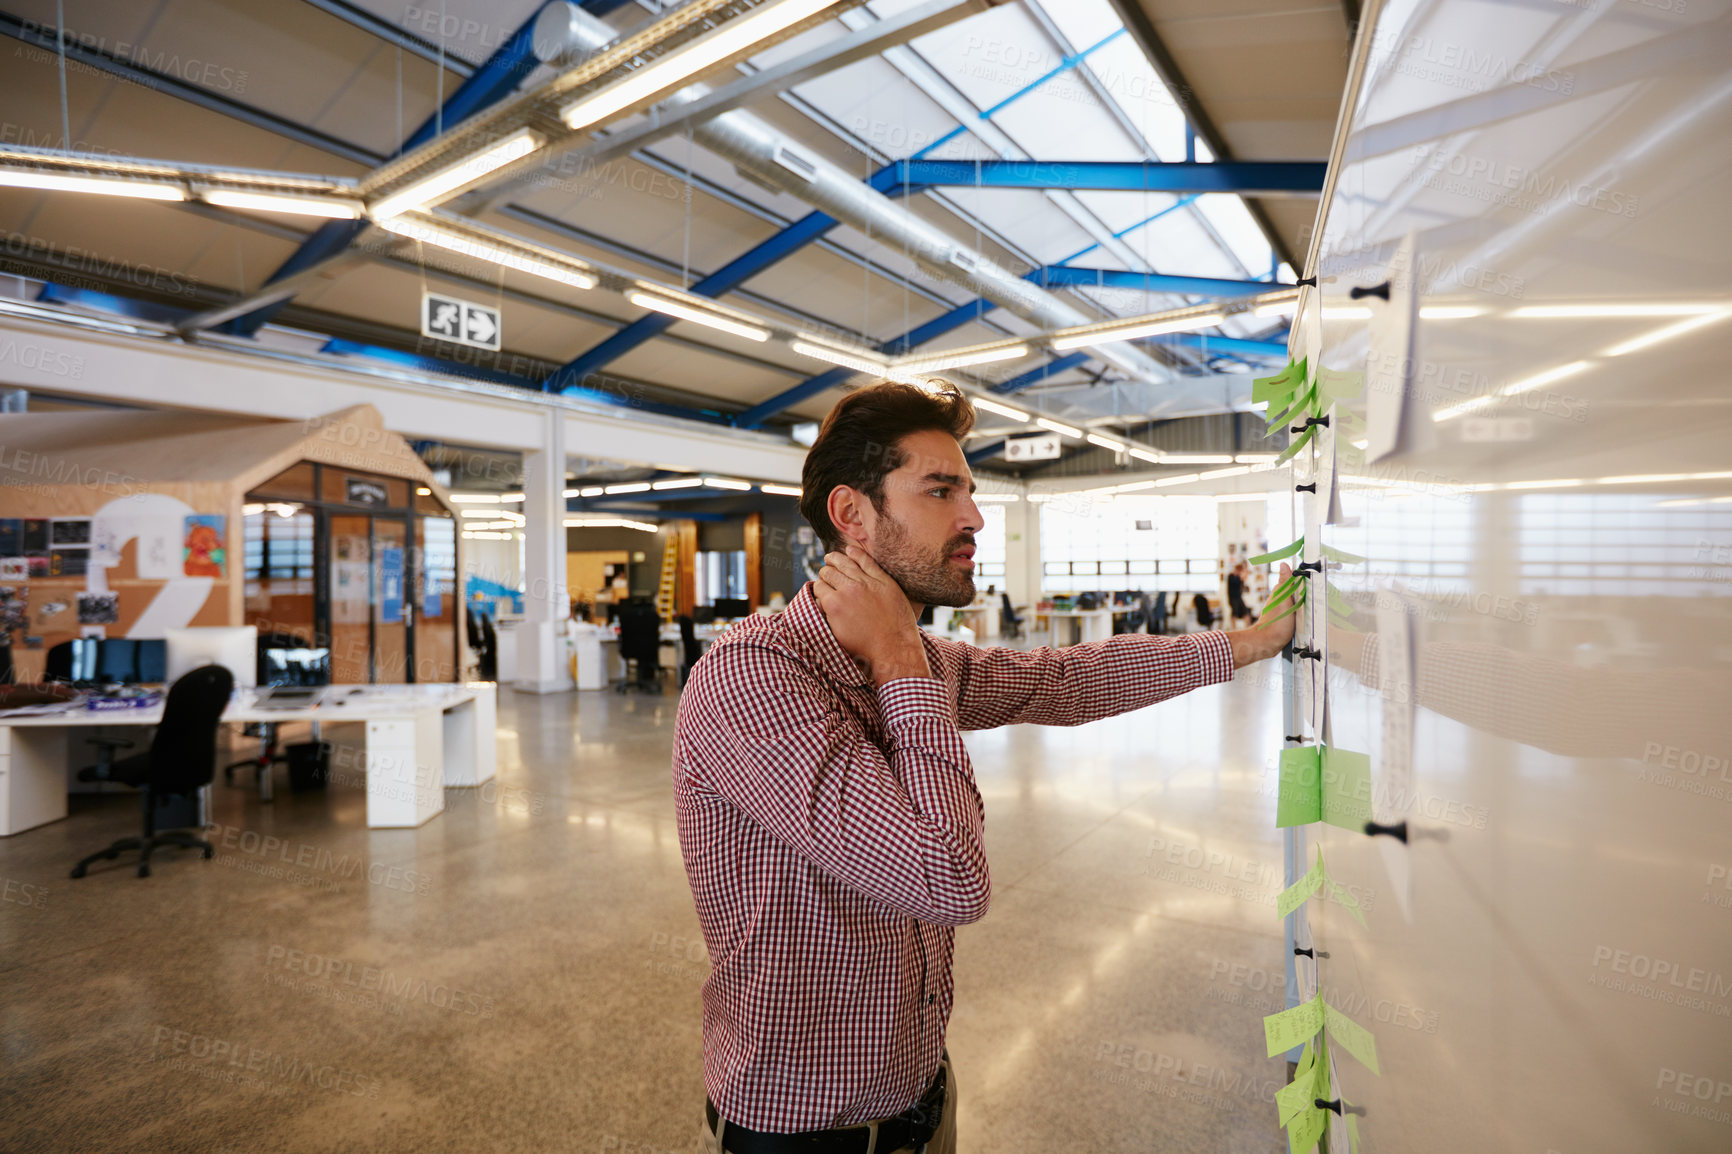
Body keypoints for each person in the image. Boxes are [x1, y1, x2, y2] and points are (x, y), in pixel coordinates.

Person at [673, 382, 1294, 1153]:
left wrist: (1243, 645)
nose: (973, 516)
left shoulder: (925, 657)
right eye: (941, 491)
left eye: (969, 490)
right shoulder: (753, 680)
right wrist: (901, 664)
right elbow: (949, 877)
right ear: (851, 515)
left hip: (923, 1093)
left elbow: (1062, 681)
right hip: (809, 1131)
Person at [1227, 560, 1257, 626]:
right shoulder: (1231, 576)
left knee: (1245, 612)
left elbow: (1241, 584)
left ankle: (1248, 627)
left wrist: (1244, 575)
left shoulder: (1238, 577)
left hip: (1239, 598)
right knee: (1234, 613)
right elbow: (1237, 582)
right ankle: (1233, 629)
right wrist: (1243, 575)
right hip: (1233, 598)